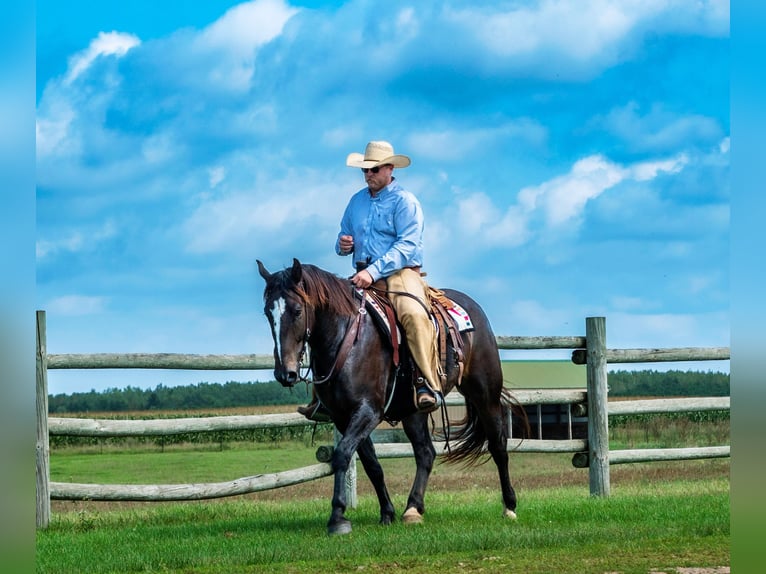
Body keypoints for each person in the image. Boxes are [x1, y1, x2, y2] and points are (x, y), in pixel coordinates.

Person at [298, 140, 444, 421]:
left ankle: (426, 383)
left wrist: (373, 271)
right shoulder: (356, 201)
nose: (368, 175)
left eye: (374, 170)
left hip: (399, 274)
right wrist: (343, 245)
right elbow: (342, 238)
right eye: (365, 170)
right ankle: (322, 396)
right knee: (327, 316)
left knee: (413, 315)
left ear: (390, 169)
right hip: (361, 274)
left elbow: (408, 246)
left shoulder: (405, 202)